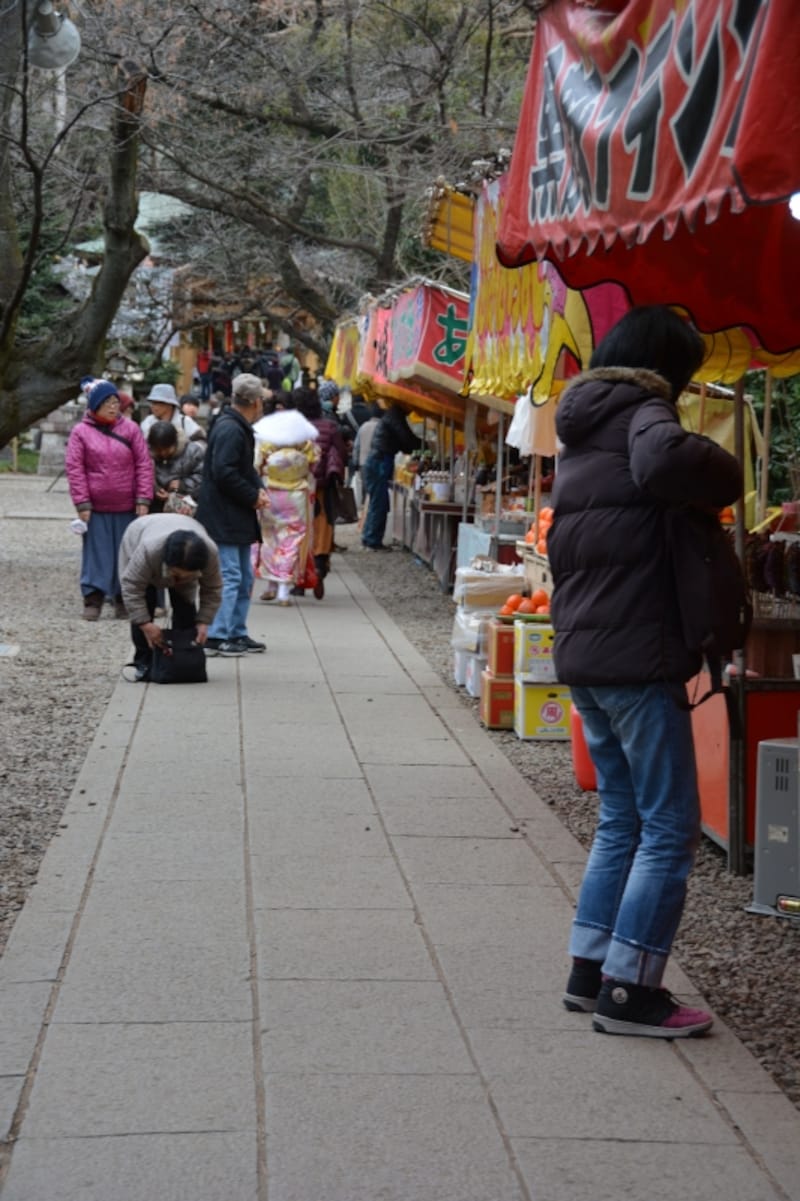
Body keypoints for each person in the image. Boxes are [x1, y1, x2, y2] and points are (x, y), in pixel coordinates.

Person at [547, 305, 743, 1039]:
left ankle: (589, 969)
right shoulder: (644, 413)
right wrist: (722, 470)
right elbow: (668, 463)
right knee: (669, 825)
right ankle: (633, 991)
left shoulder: (584, 428)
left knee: (623, 816)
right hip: (638, 654)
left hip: (589, 656)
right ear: (667, 369)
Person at [65, 380, 153, 620]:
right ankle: (93, 598)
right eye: (107, 403)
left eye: (115, 402)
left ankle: (123, 598)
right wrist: (82, 502)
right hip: (96, 506)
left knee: (126, 552)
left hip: (127, 503)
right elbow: (75, 468)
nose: (113, 407)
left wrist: (144, 498)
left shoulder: (131, 429)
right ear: (94, 405)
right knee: (96, 553)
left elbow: (144, 464)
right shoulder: (80, 432)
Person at [195, 372, 268, 657]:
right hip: (223, 514)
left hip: (234, 513)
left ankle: (236, 631)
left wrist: (257, 489)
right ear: (252, 401)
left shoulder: (236, 426)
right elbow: (224, 472)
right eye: (261, 399)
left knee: (244, 576)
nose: (263, 404)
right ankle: (216, 634)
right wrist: (251, 495)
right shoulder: (230, 429)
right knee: (229, 575)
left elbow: (243, 469)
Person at [118, 515, 223, 681]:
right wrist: (145, 624)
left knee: (186, 607)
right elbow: (132, 587)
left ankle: (183, 659)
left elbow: (213, 588)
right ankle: (143, 662)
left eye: (186, 575)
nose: (180, 579)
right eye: (177, 574)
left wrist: (204, 622)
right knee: (143, 604)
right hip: (140, 536)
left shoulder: (209, 553)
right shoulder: (149, 550)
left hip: (182, 536)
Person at [252, 403, 320, 605]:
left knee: (269, 538)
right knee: (291, 540)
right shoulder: (305, 442)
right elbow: (314, 462)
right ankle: (282, 589)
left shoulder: (266, 441)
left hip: (271, 494)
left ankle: (271, 585)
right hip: (296, 496)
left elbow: (256, 464)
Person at [294, 387, 347, 593]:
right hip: (323, 486)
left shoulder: (294, 428)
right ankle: (319, 566)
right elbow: (341, 453)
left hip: (298, 487)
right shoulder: (330, 426)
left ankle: (299, 580)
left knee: (300, 530)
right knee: (323, 528)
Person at [361, 402, 421, 550]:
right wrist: (424, 445)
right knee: (379, 502)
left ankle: (369, 538)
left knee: (377, 501)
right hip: (380, 461)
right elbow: (406, 438)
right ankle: (373, 540)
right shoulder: (395, 417)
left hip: (378, 460)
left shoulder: (392, 416)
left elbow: (404, 440)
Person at [146, 420, 206, 513]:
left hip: (184, 507)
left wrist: (183, 485)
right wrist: (154, 490)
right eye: (158, 450)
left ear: (175, 443)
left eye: (167, 449)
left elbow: (202, 477)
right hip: (154, 508)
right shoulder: (145, 453)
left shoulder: (193, 452)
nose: (163, 453)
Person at [140, 383, 205, 442]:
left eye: (157, 403)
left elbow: (201, 443)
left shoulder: (185, 422)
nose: (153, 406)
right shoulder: (147, 422)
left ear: (169, 405)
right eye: (152, 403)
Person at [350, 400, 382, 512]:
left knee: (365, 490)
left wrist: (355, 463)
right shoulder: (382, 427)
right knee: (376, 491)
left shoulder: (363, 427)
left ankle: (365, 511)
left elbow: (357, 446)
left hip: (363, 463)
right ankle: (371, 511)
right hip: (378, 463)